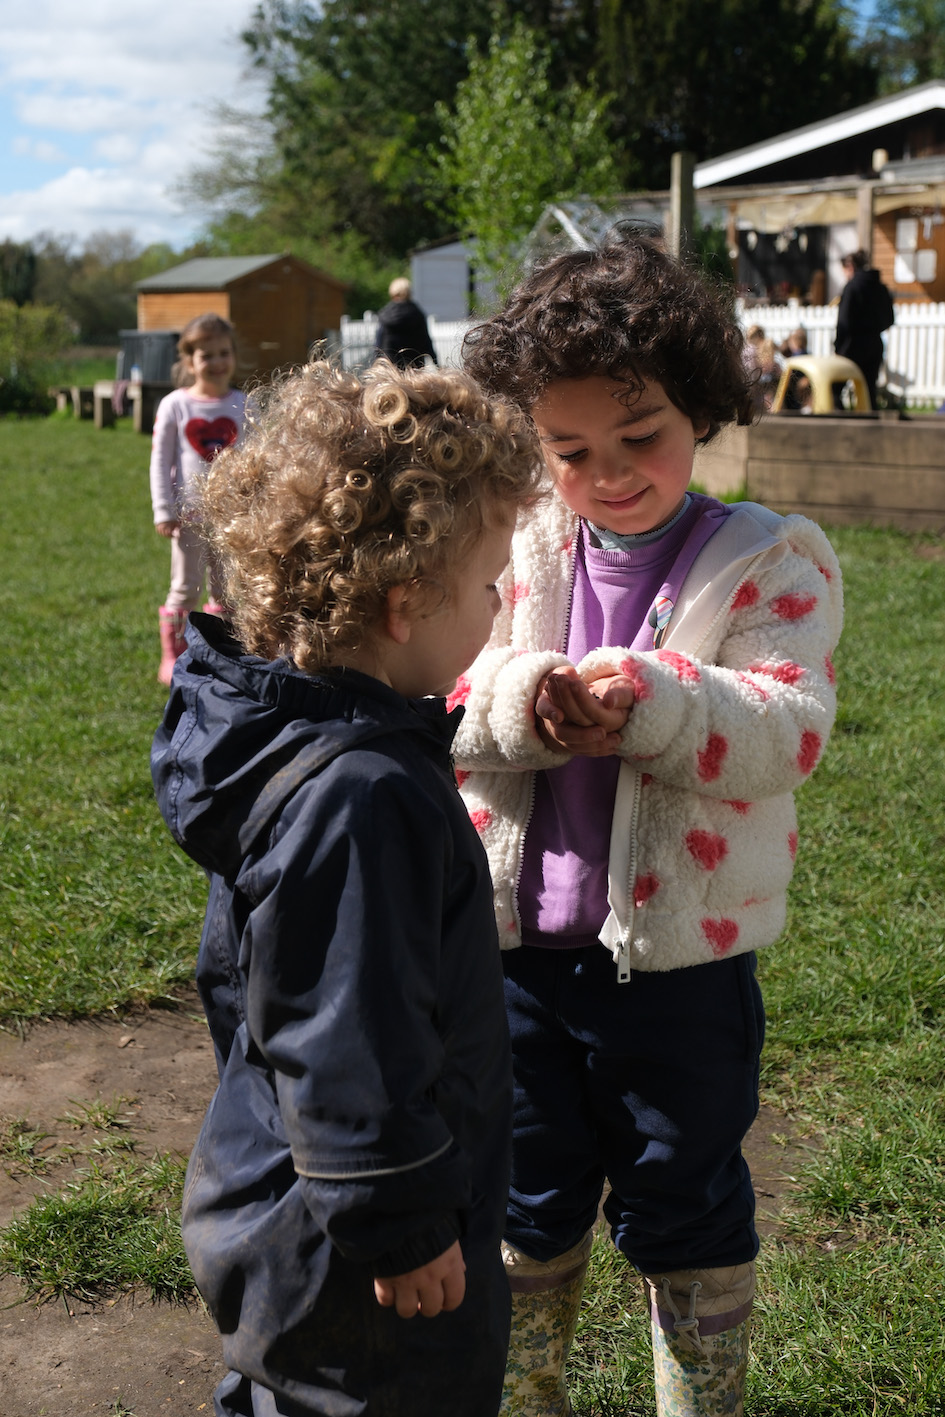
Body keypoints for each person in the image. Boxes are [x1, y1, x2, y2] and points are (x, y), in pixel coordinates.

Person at [456, 230, 844, 1417]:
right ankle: (527, 1396)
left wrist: (661, 703)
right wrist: (528, 699)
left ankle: (701, 1397)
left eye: (642, 438)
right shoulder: (513, 546)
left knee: (686, 1195)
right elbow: (445, 685)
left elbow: (793, 727)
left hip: (681, 965)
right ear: (533, 438)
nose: (608, 471)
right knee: (525, 1192)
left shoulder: (769, 558)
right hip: (515, 955)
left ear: (705, 411)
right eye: (568, 450)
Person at [150, 359, 543, 1417]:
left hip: (289, 1198)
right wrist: (403, 1222)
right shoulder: (359, 795)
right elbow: (346, 1032)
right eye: (492, 581)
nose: (503, 603)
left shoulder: (301, 738)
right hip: (354, 1254)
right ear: (410, 603)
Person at [150, 312, 248, 686]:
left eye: (224, 352)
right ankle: (173, 654)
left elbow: (255, 457)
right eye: (207, 355)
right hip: (188, 515)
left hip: (231, 518)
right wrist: (164, 509)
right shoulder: (176, 405)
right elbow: (160, 461)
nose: (217, 362)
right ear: (189, 361)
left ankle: (219, 650)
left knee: (227, 587)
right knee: (186, 586)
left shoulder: (243, 403)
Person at [834, 250, 895, 409]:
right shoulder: (881, 288)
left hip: (851, 346)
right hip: (874, 345)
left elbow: (844, 322)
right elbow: (889, 319)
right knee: (869, 392)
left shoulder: (852, 288)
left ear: (850, 267)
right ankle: (871, 429)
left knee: (835, 389)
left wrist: (839, 346)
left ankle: (836, 424)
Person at [373, 277, 439, 368]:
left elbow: (379, 342)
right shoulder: (417, 313)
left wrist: (375, 363)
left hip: (390, 367)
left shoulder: (385, 314)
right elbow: (426, 340)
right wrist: (436, 363)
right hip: (414, 366)